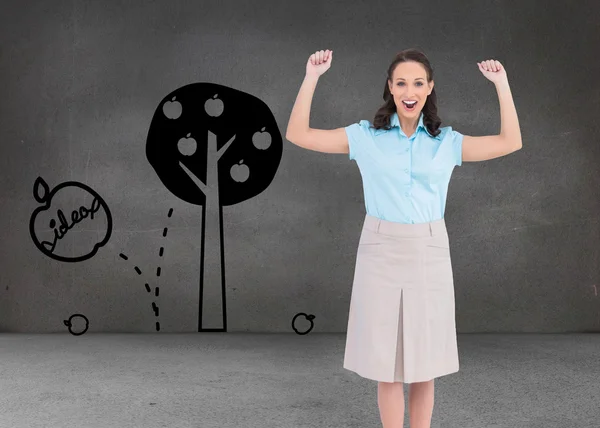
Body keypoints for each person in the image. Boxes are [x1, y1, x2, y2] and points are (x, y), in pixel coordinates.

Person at [285, 48, 522, 428]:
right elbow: (297, 134)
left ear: (429, 88)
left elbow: (510, 141)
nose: (409, 91)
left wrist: (502, 84)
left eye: (417, 83)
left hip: (429, 249)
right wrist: (312, 76)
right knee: (387, 366)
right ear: (390, 89)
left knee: (425, 365)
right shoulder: (366, 137)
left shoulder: (448, 143)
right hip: (380, 250)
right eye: (400, 83)